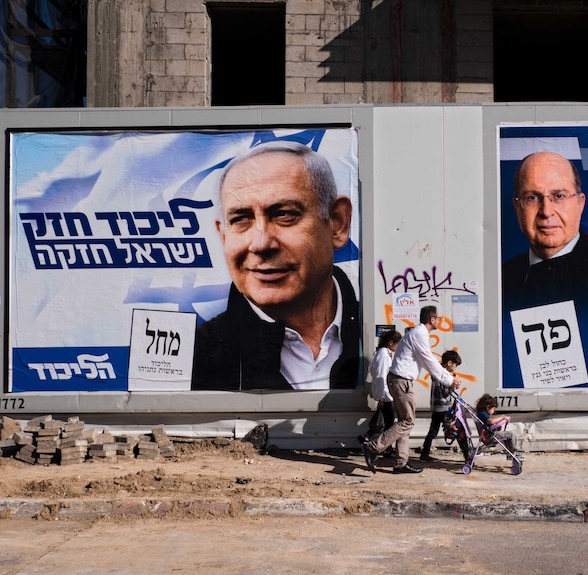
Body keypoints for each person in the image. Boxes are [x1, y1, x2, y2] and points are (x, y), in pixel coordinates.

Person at [191, 140, 360, 391]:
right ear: (223, 236)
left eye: (284, 214)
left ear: (337, 223)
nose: (260, 244)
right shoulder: (198, 359)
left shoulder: (379, 335)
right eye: (240, 219)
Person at [361, 306, 461, 474]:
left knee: (404, 422)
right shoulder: (419, 335)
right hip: (402, 382)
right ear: (432, 320)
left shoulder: (418, 334)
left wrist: (448, 376)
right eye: (439, 318)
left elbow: (431, 362)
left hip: (400, 381)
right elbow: (430, 362)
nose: (440, 321)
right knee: (407, 422)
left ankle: (401, 463)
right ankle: (372, 447)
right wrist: (450, 380)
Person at [502, 151, 588, 309]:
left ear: (580, 203)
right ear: (516, 207)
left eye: (559, 196)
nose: (546, 211)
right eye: (532, 198)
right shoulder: (502, 277)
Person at [419, 349, 467, 462]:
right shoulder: (443, 375)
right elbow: (445, 392)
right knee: (456, 429)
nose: (455, 368)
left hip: (436, 407)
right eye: (455, 365)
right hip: (443, 407)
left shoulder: (437, 372)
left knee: (433, 430)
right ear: (449, 363)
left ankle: (424, 453)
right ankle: (467, 454)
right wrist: (452, 382)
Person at [359, 330, 402, 444]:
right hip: (385, 394)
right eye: (397, 344)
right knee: (389, 422)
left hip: (384, 393)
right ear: (391, 343)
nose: (398, 347)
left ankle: (366, 437)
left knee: (382, 420)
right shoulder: (383, 355)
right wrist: (383, 397)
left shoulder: (384, 353)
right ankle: (385, 447)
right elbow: (382, 376)